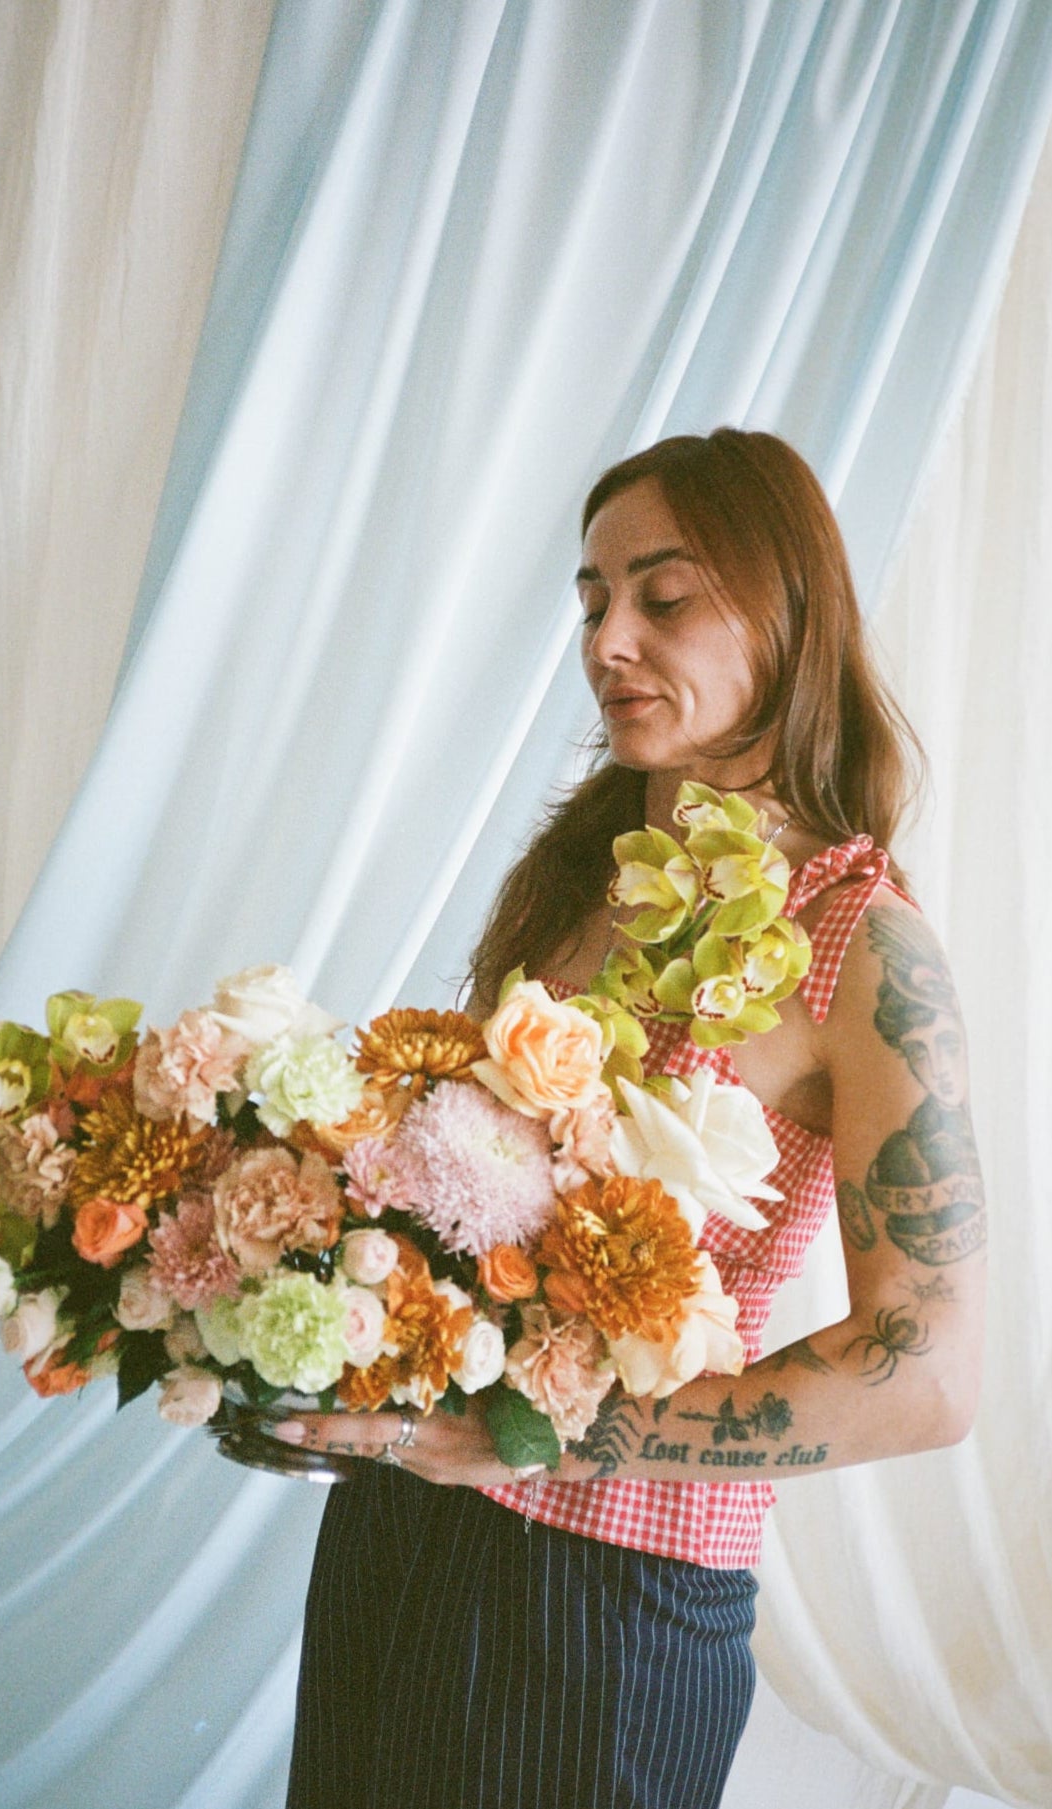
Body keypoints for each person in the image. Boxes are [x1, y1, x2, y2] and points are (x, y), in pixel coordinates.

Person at [280, 429, 987, 1808]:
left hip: (605, 1598)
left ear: (787, 615)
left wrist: (555, 1433)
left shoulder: (863, 946)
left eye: (662, 597)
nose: (608, 638)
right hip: (404, 1519)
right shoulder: (575, 871)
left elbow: (930, 1372)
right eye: (591, 598)